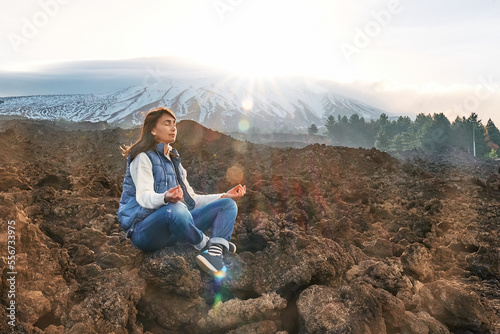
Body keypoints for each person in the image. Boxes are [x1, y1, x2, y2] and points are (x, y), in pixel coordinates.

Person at [118, 107, 246, 276]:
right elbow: (143, 197)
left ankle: (214, 255)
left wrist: (223, 196)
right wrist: (165, 197)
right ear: (153, 130)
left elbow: (191, 199)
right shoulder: (142, 157)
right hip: (145, 231)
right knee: (176, 209)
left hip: (175, 228)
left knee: (227, 205)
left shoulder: (174, 160)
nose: (173, 128)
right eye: (167, 124)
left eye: (174, 124)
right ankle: (208, 244)